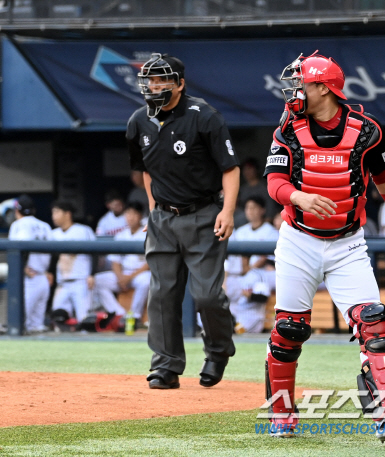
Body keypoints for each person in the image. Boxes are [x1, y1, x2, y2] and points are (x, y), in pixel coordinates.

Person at [264, 51, 385, 440]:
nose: (296, 88)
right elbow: (274, 182)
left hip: (348, 242)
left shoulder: (366, 131)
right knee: (289, 329)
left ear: (323, 88)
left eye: (303, 82)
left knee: (375, 322)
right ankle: (281, 414)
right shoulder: (288, 128)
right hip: (298, 239)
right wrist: (298, 198)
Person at [126, 53, 240, 390]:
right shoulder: (137, 121)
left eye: (162, 79)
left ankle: (218, 350)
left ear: (180, 83)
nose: (155, 85)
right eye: (150, 79)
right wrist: (153, 209)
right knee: (161, 294)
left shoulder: (204, 116)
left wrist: (228, 211)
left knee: (206, 296)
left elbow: (229, 168)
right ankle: (165, 365)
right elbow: (146, 170)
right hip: (163, 217)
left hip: (205, 214)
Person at [227, 196, 279, 333]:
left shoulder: (271, 231)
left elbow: (268, 260)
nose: (250, 211)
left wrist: (250, 269)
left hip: (265, 273)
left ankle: (247, 324)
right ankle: (234, 323)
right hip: (245, 273)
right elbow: (238, 258)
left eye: (254, 207)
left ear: (262, 210)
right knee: (234, 285)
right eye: (248, 208)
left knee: (253, 280)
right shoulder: (241, 231)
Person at [94, 202, 150, 322]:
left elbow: (150, 263)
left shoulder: (148, 234)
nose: (130, 217)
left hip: (139, 275)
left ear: (140, 216)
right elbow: (115, 261)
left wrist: (129, 277)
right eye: (128, 214)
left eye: (134, 214)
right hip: (123, 274)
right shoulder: (121, 235)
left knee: (147, 281)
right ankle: (119, 314)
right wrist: (120, 278)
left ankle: (135, 315)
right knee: (98, 281)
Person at [48, 200, 97, 327]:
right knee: (58, 318)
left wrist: (93, 274)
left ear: (67, 214)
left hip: (81, 280)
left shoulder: (83, 230)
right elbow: (52, 259)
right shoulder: (53, 234)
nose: (54, 216)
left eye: (57, 212)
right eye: (53, 213)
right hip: (62, 283)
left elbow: (95, 253)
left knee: (84, 319)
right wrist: (49, 272)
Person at [8, 194, 52, 334]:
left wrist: (22, 267)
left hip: (29, 277)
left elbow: (22, 244)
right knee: (37, 325)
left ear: (17, 210)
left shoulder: (19, 224)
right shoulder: (45, 225)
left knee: (20, 322)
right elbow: (54, 251)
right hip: (43, 276)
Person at [234, 158, 280, 227]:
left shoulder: (265, 187)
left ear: (256, 170)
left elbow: (271, 209)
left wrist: (263, 227)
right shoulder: (242, 189)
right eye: (245, 169)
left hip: (263, 225)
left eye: (249, 168)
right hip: (244, 226)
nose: (247, 172)